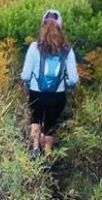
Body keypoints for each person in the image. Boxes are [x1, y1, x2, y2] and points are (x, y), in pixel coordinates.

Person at [20, 9, 78, 158]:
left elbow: (25, 75)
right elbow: (73, 79)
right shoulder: (67, 50)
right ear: (60, 26)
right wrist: (65, 85)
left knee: (36, 118)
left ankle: (34, 149)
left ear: (42, 25)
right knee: (50, 123)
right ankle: (48, 153)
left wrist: (28, 84)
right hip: (57, 95)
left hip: (36, 92)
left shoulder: (34, 47)